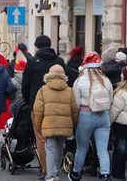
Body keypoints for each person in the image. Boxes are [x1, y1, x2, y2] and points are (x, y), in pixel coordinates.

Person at [22, 35, 77, 180]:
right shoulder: (59, 61)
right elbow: (70, 77)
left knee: (42, 139)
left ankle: (46, 171)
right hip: (61, 105)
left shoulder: (32, 61)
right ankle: (55, 171)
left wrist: (28, 102)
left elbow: (25, 84)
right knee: (59, 141)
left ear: (37, 46)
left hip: (38, 103)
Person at [68, 52, 113, 181]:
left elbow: (75, 103)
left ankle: (76, 173)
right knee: (102, 150)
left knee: (81, 148)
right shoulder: (105, 80)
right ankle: (105, 174)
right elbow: (110, 99)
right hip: (103, 115)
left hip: (85, 115)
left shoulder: (79, 81)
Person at [33, 65, 79, 181]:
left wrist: (38, 125)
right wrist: (73, 125)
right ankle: (56, 172)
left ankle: (50, 175)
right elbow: (74, 111)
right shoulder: (69, 90)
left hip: (49, 124)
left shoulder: (43, 90)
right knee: (59, 148)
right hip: (64, 125)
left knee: (50, 149)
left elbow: (37, 110)